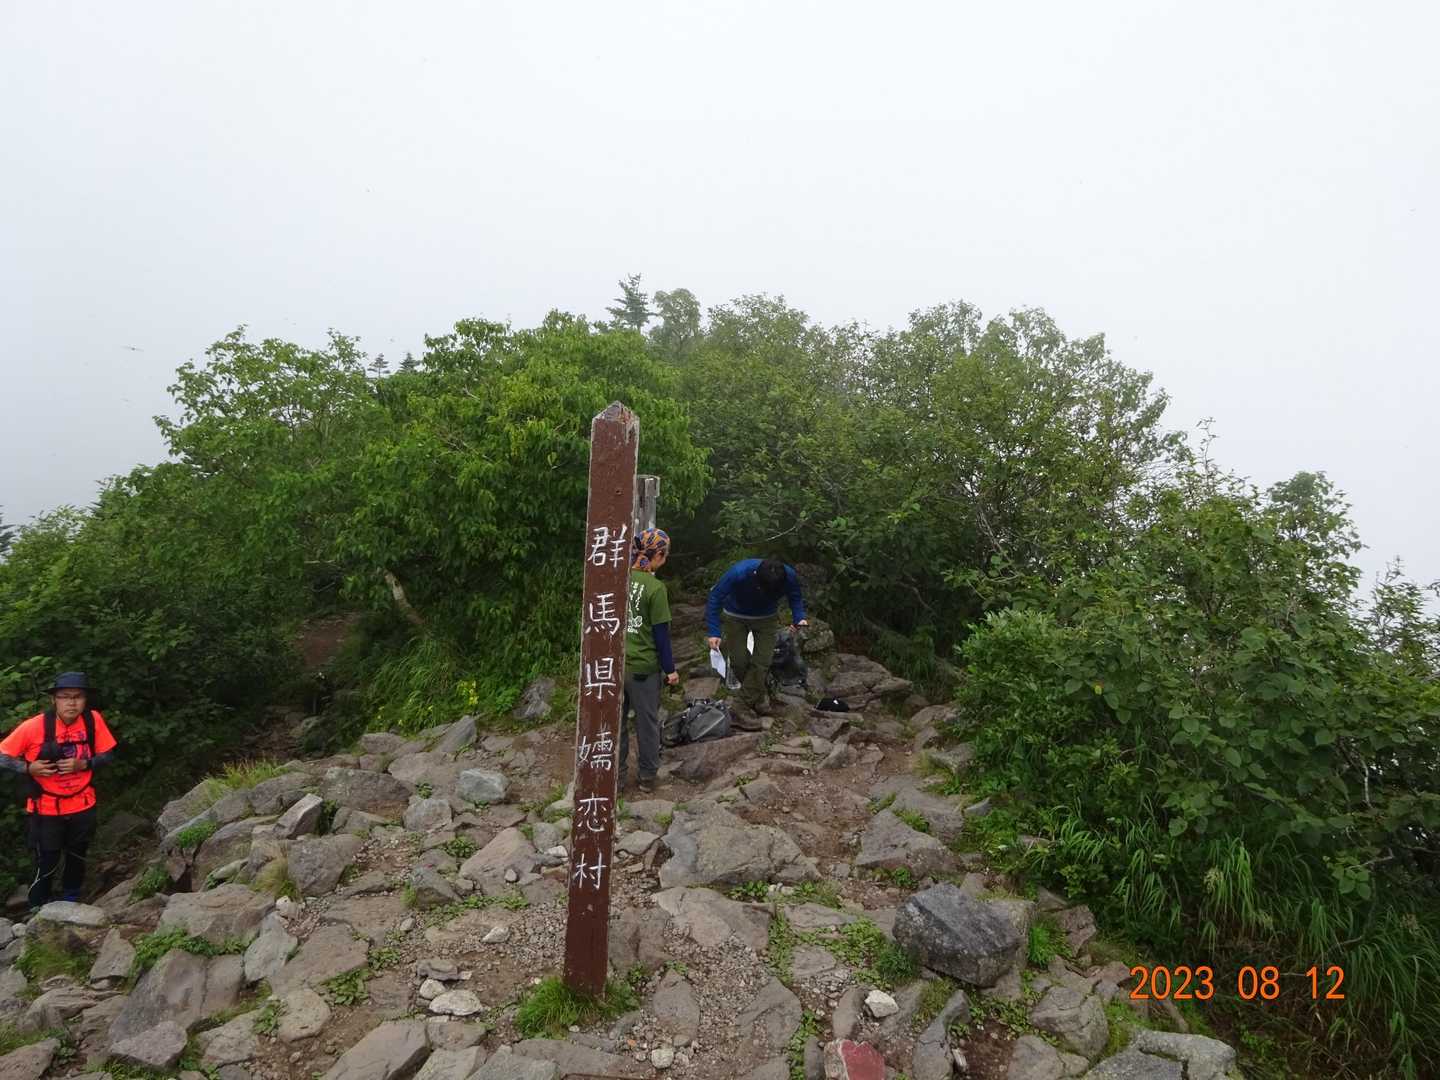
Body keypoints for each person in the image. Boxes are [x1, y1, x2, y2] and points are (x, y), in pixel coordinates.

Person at [0, 672, 118, 909]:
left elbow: (108, 754)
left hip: (83, 803)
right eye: (65, 696)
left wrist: (84, 764)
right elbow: (2, 755)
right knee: (48, 859)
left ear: (85, 700)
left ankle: (70, 902)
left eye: (78, 696)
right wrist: (28, 767)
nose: (71, 702)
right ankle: (37, 908)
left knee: (77, 855)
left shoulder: (93, 720)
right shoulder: (33, 727)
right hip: (46, 808)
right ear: (54, 699)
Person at [705, 558, 808, 720]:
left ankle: (741, 705)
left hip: (766, 619)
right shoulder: (738, 573)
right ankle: (759, 697)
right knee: (739, 662)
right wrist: (714, 631)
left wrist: (799, 617)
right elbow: (715, 597)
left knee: (762, 662)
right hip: (735, 616)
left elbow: (795, 597)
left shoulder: (788, 575)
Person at [620, 529, 678, 792]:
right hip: (643, 668)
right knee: (647, 723)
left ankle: (617, 777)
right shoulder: (656, 588)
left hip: (616, 666)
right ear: (659, 554)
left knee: (616, 724)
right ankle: (646, 777)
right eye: (665, 556)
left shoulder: (619, 579)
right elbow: (661, 636)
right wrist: (670, 670)